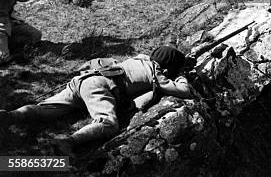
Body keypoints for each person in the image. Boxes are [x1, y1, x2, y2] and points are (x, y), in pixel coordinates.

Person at [0, 45, 191, 153]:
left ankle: (12, 115)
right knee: (108, 124)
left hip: (84, 80)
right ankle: (69, 142)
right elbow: (183, 90)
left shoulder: (139, 59)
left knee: (48, 108)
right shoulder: (156, 72)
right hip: (100, 88)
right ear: (167, 67)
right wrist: (181, 75)